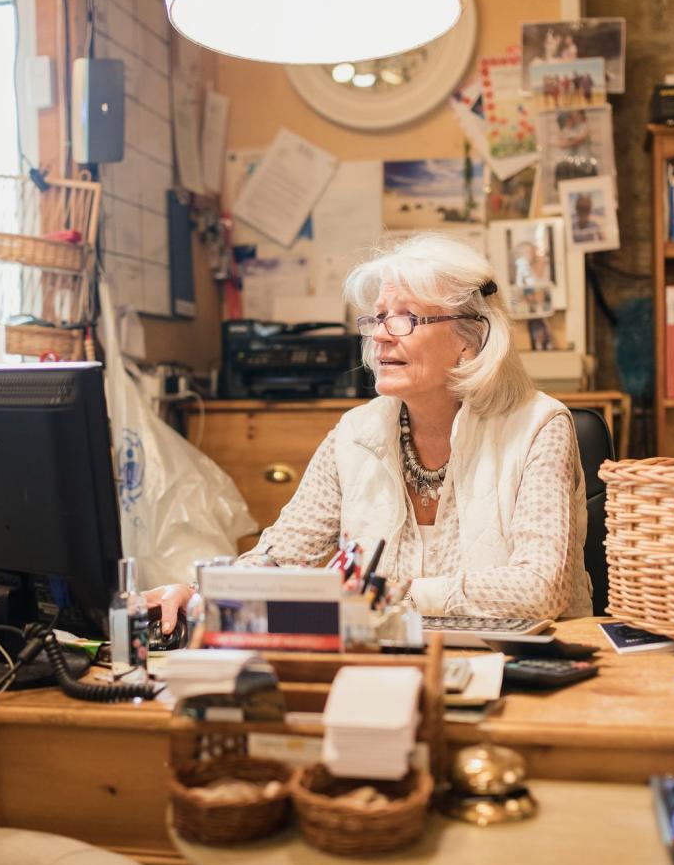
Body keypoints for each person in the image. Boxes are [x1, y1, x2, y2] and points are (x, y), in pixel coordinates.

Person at [233, 234, 591, 620]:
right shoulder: (354, 434)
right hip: (392, 666)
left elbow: (541, 591)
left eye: (405, 318)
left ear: (471, 338)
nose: (380, 335)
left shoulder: (539, 427)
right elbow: (282, 556)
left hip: (524, 667)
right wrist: (204, 593)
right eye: (378, 317)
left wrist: (393, 595)